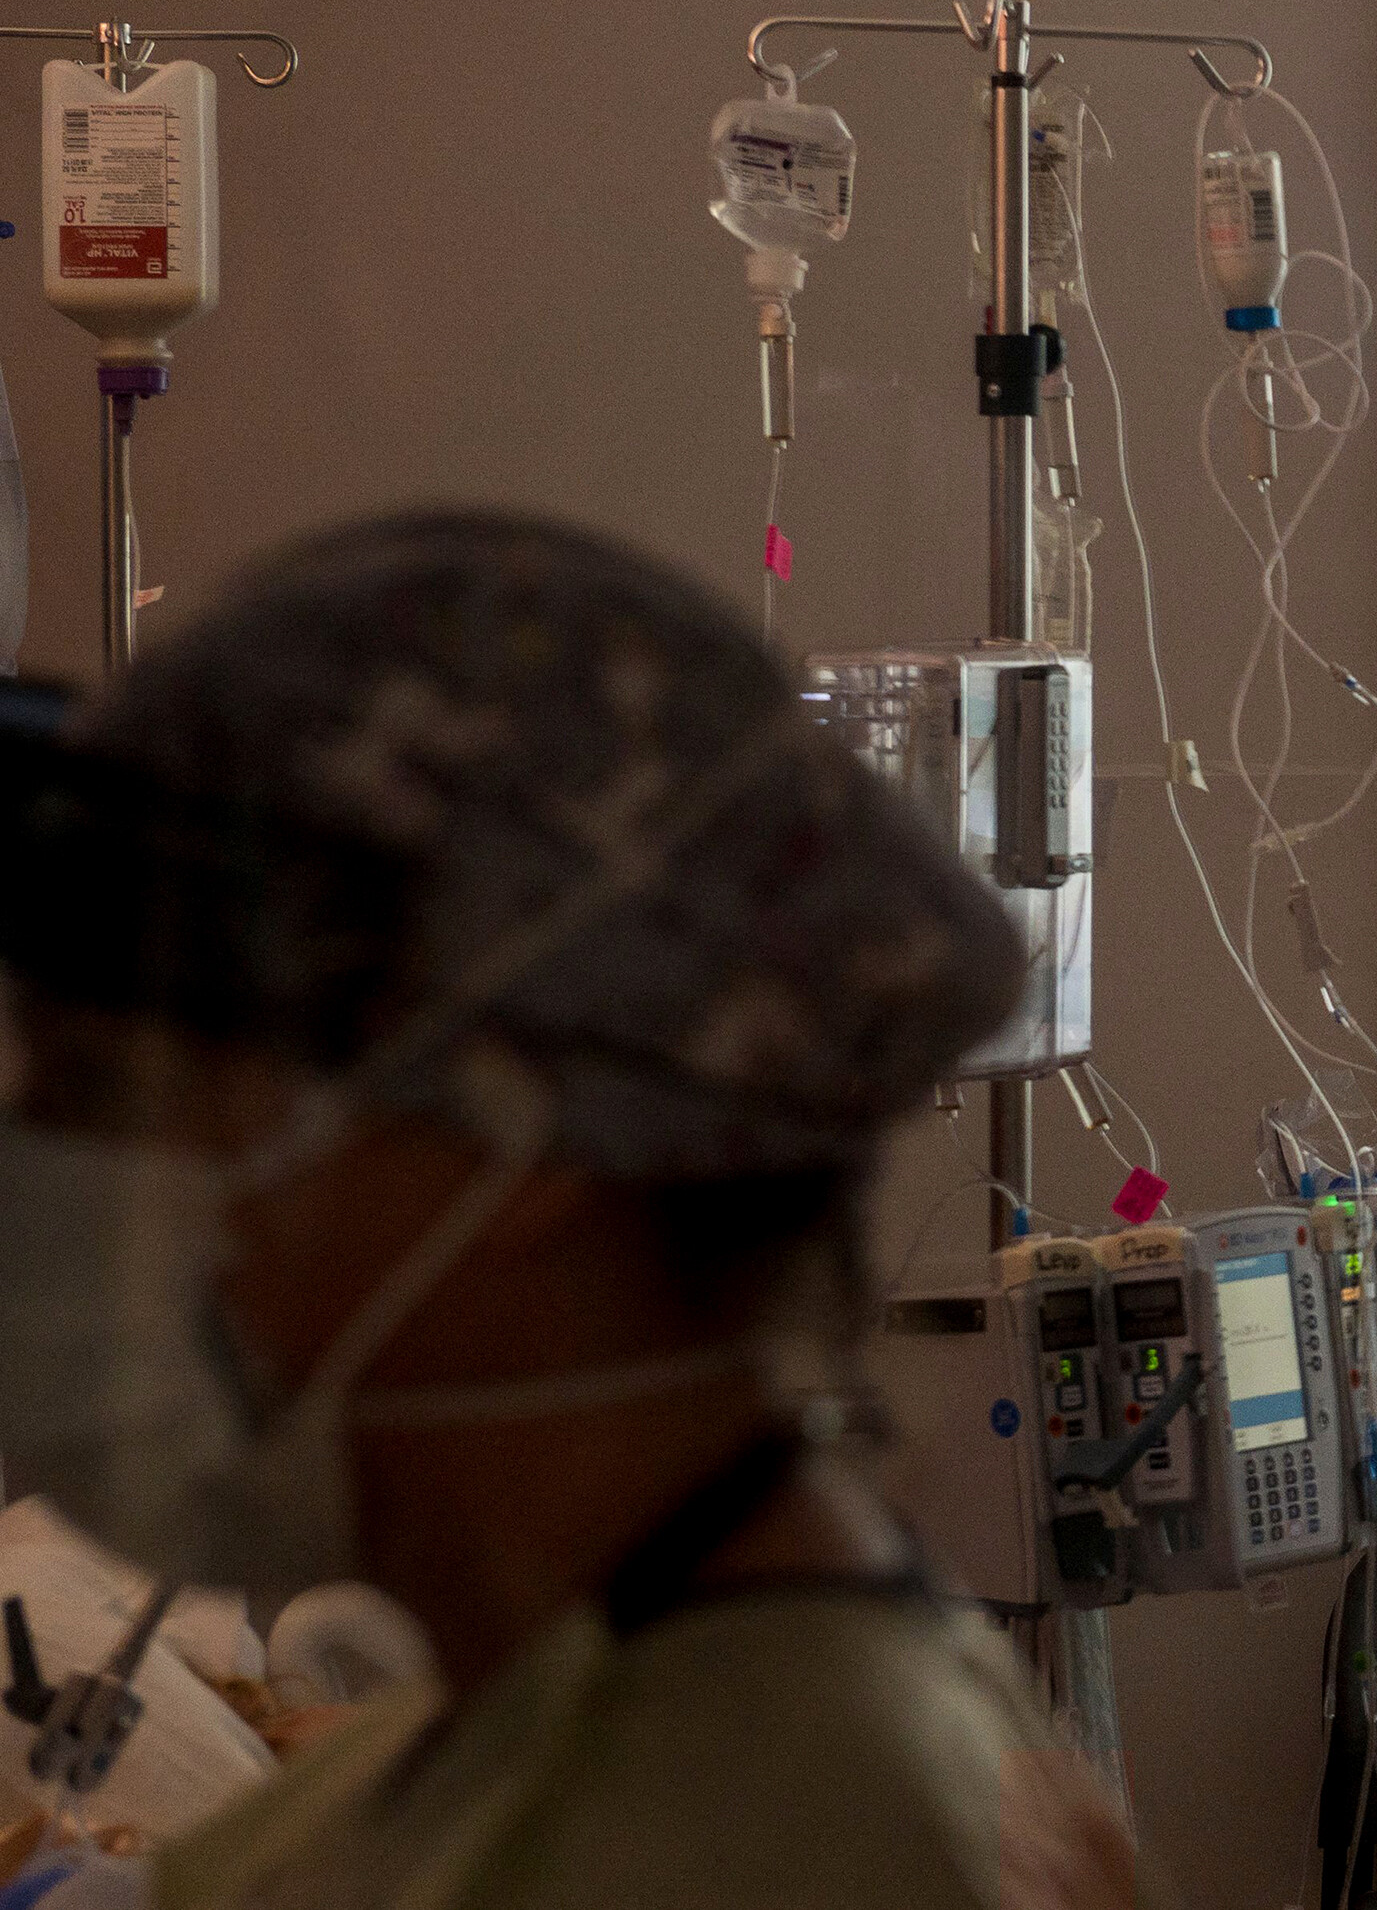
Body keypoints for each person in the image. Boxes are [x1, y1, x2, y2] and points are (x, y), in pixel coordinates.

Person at [0, 512, 1142, 1908]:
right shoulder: (523, 1741)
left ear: (522, 1136)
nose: (117, 1193)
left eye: (165, 1098)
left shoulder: (780, 1839)